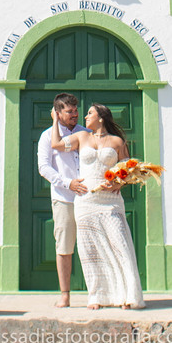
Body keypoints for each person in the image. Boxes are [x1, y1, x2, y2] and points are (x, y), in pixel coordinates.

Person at [49, 103, 145, 310]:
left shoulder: (117, 141)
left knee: (120, 245)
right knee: (90, 250)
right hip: (85, 201)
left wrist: (118, 183)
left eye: (89, 113)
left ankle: (126, 295)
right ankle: (97, 296)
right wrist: (55, 120)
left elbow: (129, 169)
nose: (84, 116)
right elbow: (56, 145)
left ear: (101, 117)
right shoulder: (82, 137)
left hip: (110, 202)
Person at [37, 92, 88, 308]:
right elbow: (44, 168)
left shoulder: (86, 133)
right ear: (57, 113)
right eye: (69, 111)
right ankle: (65, 294)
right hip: (64, 198)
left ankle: (97, 293)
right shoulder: (47, 136)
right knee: (65, 247)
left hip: (88, 198)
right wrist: (68, 183)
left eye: (76, 110)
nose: (75, 114)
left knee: (93, 245)